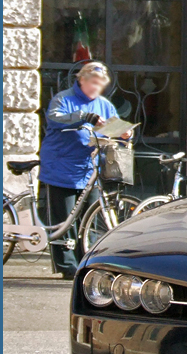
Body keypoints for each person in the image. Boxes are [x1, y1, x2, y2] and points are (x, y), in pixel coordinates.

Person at [38, 61, 125, 278]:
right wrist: (82, 117)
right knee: (65, 220)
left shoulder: (104, 104)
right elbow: (55, 119)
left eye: (100, 85)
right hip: (62, 167)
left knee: (90, 219)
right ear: (82, 80)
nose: (96, 88)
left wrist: (125, 134)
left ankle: (88, 262)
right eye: (93, 83)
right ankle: (68, 267)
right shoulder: (63, 99)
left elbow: (115, 127)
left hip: (90, 170)